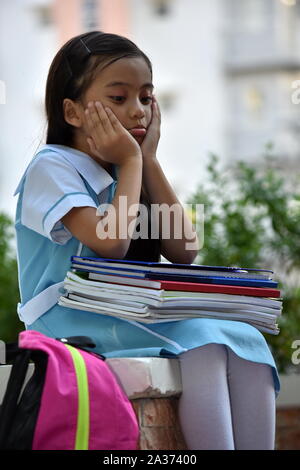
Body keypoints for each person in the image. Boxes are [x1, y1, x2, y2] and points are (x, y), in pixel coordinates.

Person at [14, 31, 279, 450]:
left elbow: (183, 250)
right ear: (73, 111)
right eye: (119, 99)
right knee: (205, 344)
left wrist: (148, 160)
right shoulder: (53, 166)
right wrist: (133, 160)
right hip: (67, 316)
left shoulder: (130, 168)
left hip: (124, 309)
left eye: (145, 97)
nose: (137, 111)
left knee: (247, 342)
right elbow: (111, 242)